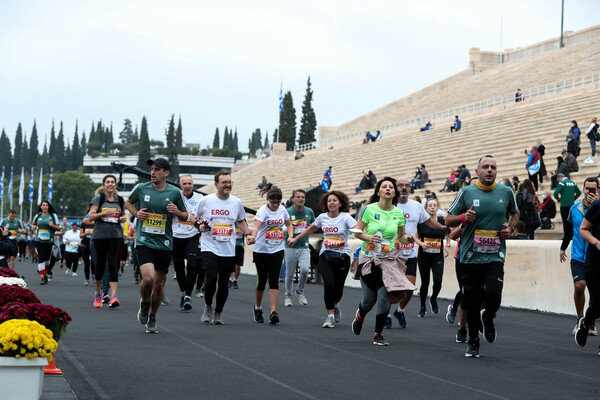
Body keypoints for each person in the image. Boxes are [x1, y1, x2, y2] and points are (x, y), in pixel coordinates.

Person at [447, 155, 520, 358]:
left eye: (493, 167)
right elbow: (449, 218)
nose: (490, 170)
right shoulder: (466, 192)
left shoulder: (506, 192)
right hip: (470, 256)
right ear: (477, 171)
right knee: (471, 299)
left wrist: (511, 227)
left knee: (494, 295)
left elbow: (515, 213)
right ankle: (473, 341)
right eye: (485, 167)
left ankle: (487, 317)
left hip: (495, 255)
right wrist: (463, 217)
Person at [350, 177, 415, 345]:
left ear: (394, 192)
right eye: (384, 186)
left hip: (388, 259)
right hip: (368, 258)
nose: (388, 189)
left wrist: (409, 239)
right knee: (369, 299)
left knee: (384, 295)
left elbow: (401, 236)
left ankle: (378, 334)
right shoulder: (368, 209)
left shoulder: (398, 212)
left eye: (391, 187)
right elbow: (357, 231)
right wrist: (369, 237)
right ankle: (360, 315)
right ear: (378, 191)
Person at [125, 158, 188, 333]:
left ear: (166, 173)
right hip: (144, 240)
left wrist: (177, 212)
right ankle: (145, 303)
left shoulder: (175, 192)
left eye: (157, 169)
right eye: (152, 169)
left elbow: (184, 214)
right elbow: (128, 202)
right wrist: (136, 213)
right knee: (148, 278)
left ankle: (152, 315)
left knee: (159, 285)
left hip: (165, 243)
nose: (153, 172)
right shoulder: (141, 188)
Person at [289, 190, 356, 328]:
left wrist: (368, 237)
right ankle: (330, 316)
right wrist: (296, 238)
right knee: (329, 284)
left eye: (334, 200)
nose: (331, 203)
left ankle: (336, 304)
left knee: (338, 290)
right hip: (326, 255)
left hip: (343, 257)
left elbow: (358, 230)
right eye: (329, 200)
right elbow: (310, 229)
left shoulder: (346, 218)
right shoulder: (322, 217)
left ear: (340, 203)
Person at [389, 177, 448, 329]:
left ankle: (400, 310)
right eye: (400, 185)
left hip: (409, 254)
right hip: (391, 254)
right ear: (396, 188)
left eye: (406, 185)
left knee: (409, 287)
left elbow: (429, 221)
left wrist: (442, 228)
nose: (403, 188)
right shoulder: (388, 205)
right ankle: (386, 314)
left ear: (410, 188)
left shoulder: (416, 206)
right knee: (390, 287)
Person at [193, 170, 250, 326]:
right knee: (211, 278)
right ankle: (208, 306)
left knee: (224, 283)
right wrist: (199, 226)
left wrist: (248, 235)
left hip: (228, 249)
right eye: (224, 182)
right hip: (209, 246)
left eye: (230, 182)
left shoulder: (236, 202)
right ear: (216, 184)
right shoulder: (206, 201)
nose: (228, 185)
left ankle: (218, 312)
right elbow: (192, 215)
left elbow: (241, 221)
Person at [247, 184, 293, 325]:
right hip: (261, 250)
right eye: (272, 202)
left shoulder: (283, 210)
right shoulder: (263, 211)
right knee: (261, 281)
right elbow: (256, 226)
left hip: (277, 249)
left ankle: (273, 312)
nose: (275, 205)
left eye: (277, 202)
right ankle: (258, 307)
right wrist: (252, 237)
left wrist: (290, 236)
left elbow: (289, 224)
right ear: (268, 200)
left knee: (274, 280)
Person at [560, 177, 599, 336]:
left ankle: (590, 322)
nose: (590, 192)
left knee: (594, 292)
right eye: (587, 188)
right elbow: (569, 230)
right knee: (579, 285)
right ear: (582, 189)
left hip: (595, 256)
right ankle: (580, 317)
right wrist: (563, 248)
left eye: (593, 189)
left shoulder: (598, 208)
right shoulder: (574, 208)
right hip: (577, 255)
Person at [89, 175, 127, 309]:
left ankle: (114, 296)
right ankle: (98, 292)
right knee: (99, 265)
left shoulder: (120, 200)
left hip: (115, 236)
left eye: (112, 182)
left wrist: (123, 219)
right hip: (100, 236)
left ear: (115, 185)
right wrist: (104, 213)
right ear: (104, 185)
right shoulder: (99, 198)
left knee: (113, 265)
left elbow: (123, 215)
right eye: (108, 182)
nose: (110, 184)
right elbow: (90, 218)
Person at [574, 180, 600, 351]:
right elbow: (583, 228)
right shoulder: (598, 206)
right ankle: (585, 323)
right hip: (595, 262)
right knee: (598, 301)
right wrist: (596, 242)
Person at [172, 175, 203, 311]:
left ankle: (188, 296)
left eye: (189, 183)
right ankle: (183, 292)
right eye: (184, 183)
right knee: (179, 267)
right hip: (176, 235)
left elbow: (203, 214)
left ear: (193, 184)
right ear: (180, 185)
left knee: (192, 263)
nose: (187, 186)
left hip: (192, 234)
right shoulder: (175, 196)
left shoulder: (199, 198)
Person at [414, 198, 449, 317]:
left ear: (437, 207)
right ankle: (422, 307)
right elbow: (416, 237)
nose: (433, 207)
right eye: (430, 205)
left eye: (435, 205)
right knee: (425, 282)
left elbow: (448, 233)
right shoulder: (421, 222)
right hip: (424, 256)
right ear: (426, 208)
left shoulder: (441, 221)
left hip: (437, 256)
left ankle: (433, 298)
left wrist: (448, 245)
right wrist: (421, 244)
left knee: (438, 281)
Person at [283, 189, 315, 307]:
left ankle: (300, 291)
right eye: (298, 197)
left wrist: (309, 227)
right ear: (293, 199)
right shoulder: (287, 212)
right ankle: (288, 295)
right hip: (290, 246)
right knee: (290, 273)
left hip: (304, 246)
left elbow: (312, 225)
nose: (301, 199)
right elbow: (283, 227)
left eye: (303, 197)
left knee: (305, 270)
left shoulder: (309, 211)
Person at [31, 201, 60, 284]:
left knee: (47, 259)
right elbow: (33, 224)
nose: (45, 207)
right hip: (39, 240)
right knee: (42, 257)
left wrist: (52, 226)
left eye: (46, 205)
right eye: (43, 205)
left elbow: (58, 228)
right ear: (41, 207)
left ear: (48, 207)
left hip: (49, 240)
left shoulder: (53, 216)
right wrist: (34, 228)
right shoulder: (38, 216)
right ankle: (42, 277)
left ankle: (46, 272)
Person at [554, 173, 582, 254]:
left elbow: (555, 193)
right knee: (571, 221)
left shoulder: (562, 183)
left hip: (564, 205)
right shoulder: (573, 182)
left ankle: (566, 237)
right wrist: (573, 198)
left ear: (560, 178)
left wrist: (558, 199)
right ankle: (572, 235)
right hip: (572, 205)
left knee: (565, 221)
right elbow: (579, 192)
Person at [79, 211, 95, 286]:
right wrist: (85, 233)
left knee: (94, 262)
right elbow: (80, 235)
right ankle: (87, 279)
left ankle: (94, 275)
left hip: (94, 244)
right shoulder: (84, 223)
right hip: (85, 245)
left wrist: (93, 233)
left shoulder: (96, 223)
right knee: (86, 263)